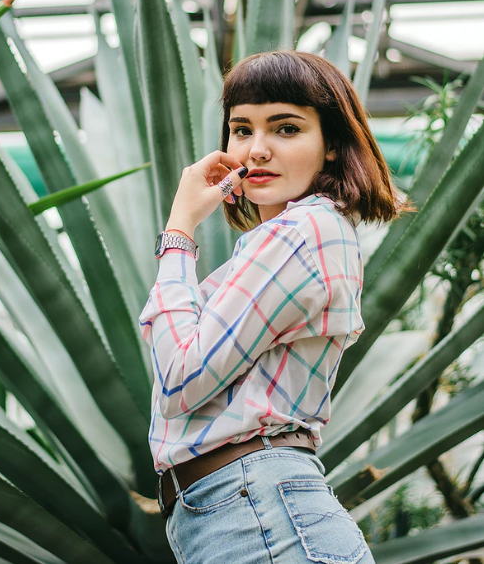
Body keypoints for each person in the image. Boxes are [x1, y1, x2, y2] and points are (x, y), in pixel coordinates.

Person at [139, 50, 415, 564]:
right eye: (241, 130)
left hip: (258, 516)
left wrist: (179, 231)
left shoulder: (303, 230)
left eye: (285, 129)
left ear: (332, 145)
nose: (257, 150)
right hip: (250, 515)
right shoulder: (289, 239)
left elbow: (178, 379)